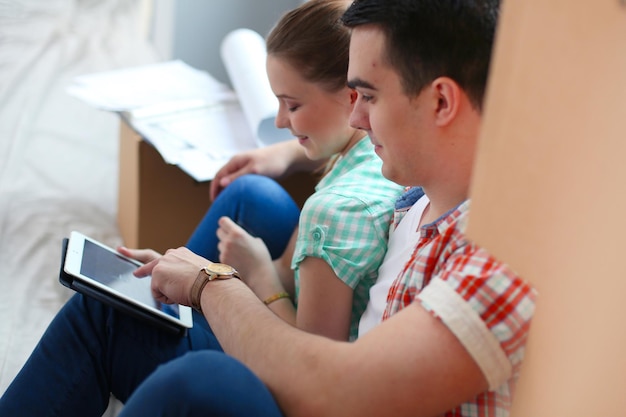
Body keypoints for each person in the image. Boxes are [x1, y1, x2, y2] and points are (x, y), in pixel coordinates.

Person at [0, 1, 537, 416]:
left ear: (441, 102)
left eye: (368, 97)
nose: (355, 120)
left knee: (206, 382)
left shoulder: (499, 256)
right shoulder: (420, 191)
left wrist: (212, 283)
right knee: (112, 310)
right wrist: (281, 158)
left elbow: (336, 389)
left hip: (329, 389)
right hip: (327, 358)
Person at [128, 0, 404, 342]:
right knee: (252, 192)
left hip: (293, 359)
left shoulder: (333, 210)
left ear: (351, 97)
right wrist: (287, 154)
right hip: (289, 288)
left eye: (292, 104)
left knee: (104, 320)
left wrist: (259, 277)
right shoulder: (383, 152)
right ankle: (169, 291)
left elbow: (311, 358)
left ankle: (156, 317)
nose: (278, 121)